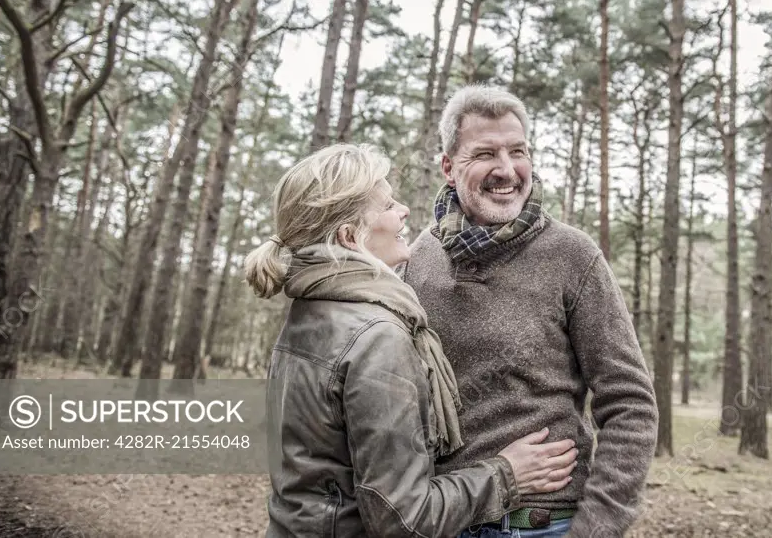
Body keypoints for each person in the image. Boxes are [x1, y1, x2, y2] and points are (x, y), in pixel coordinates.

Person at [245, 143, 579, 537]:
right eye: (388, 206)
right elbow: (402, 519)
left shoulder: (310, 310)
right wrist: (507, 473)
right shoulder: (375, 337)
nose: (404, 211)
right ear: (351, 236)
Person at [401, 87, 659, 537]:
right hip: (440, 520)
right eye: (485, 153)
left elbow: (630, 404)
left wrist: (595, 528)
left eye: (517, 151)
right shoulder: (419, 257)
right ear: (448, 167)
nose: (506, 170)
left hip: (541, 526)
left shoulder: (572, 255)